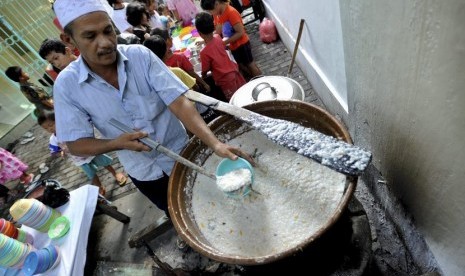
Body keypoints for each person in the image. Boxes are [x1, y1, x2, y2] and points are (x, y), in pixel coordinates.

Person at [52, 0, 251, 217]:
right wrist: (114, 144)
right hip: (144, 173)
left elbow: (179, 101)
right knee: (178, 214)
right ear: (69, 40)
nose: (105, 43)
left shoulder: (139, 56)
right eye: (90, 36)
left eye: (108, 30)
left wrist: (214, 143)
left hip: (182, 152)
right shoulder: (66, 86)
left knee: (214, 203)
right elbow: (75, 144)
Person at [38, 113, 127, 196]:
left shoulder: (69, 129)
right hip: (79, 160)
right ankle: (99, 186)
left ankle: (115, 173)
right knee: (91, 174)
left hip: (90, 151)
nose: (50, 129)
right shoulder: (53, 140)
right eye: (46, 128)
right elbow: (54, 152)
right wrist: (60, 153)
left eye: (51, 125)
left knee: (105, 163)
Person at [143, 35, 218, 123]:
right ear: (166, 53)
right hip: (193, 109)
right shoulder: (176, 72)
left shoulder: (149, 79)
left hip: (178, 117)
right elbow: (195, 87)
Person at [200, 0, 262, 79]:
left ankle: (261, 80)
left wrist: (224, 42)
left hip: (242, 44)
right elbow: (218, 31)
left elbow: (240, 32)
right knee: (241, 65)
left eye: (210, 10)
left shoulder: (231, 12)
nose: (210, 13)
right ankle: (253, 80)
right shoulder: (217, 14)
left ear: (216, 4)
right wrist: (206, 39)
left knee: (250, 64)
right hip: (232, 46)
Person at [195, 12, 246, 100]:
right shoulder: (218, 37)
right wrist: (203, 42)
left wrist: (203, 77)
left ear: (200, 33)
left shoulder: (204, 52)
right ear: (213, 26)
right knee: (244, 94)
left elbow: (205, 70)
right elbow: (213, 42)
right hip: (234, 71)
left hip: (225, 80)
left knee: (235, 101)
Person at [151, 28, 210, 92]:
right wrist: (204, 84)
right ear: (167, 41)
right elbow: (192, 73)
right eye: (170, 37)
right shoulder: (180, 57)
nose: (172, 38)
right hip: (190, 89)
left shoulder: (158, 64)